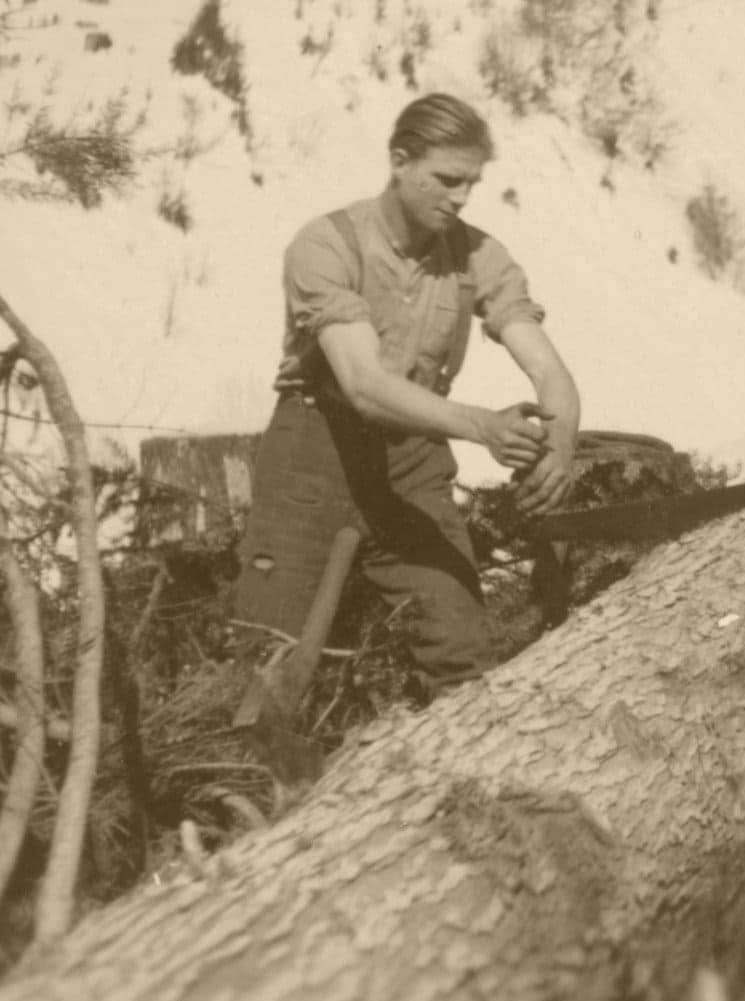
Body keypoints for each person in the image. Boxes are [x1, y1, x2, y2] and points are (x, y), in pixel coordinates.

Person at [233, 93, 581, 691]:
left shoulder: (479, 256)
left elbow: (549, 370)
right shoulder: (326, 245)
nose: (462, 196)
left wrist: (562, 437)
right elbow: (365, 388)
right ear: (400, 161)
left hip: (413, 463)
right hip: (316, 455)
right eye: (447, 179)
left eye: (472, 182)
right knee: (269, 662)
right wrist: (483, 428)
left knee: (461, 652)